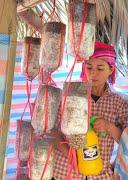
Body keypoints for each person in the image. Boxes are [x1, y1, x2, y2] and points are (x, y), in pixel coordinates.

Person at [52, 41, 128, 179]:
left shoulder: (118, 102)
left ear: (111, 70)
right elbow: (52, 131)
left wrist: (108, 126)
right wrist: (71, 156)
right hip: (66, 171)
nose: (93, 73)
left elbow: (126, 141)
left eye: (100, 68)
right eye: (89, 67)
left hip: (100, 174)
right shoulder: (70, 93)